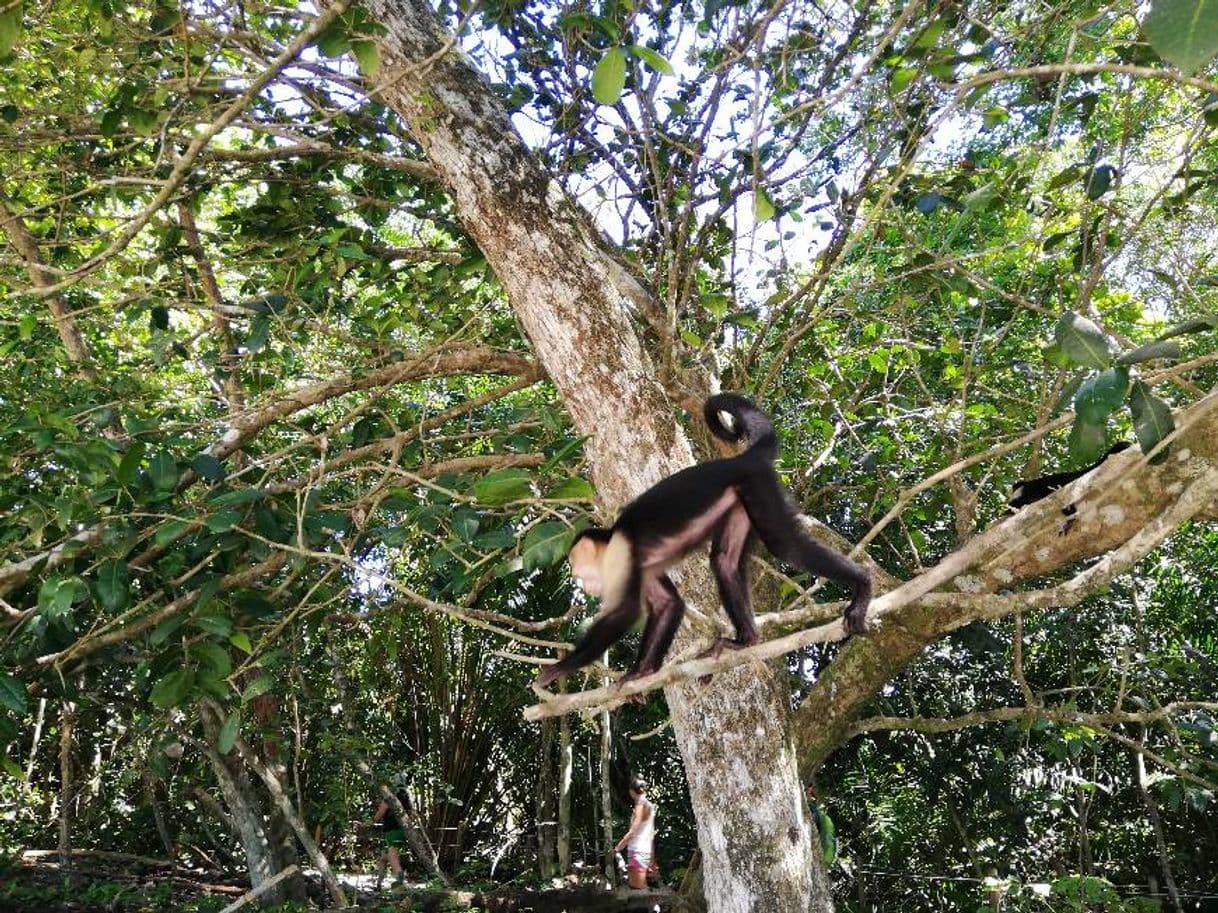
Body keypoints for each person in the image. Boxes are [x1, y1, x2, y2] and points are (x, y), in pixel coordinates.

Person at [615, 776, 657, 889]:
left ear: (632, 792)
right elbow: (651, 834)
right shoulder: (650, 806)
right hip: (646, 850)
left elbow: (633, 831)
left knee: (637, 889)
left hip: (637, 851)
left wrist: (618, 847)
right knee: (642, 887)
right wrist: (652, 857)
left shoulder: (640, 806)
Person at [372, 781, 407, 887]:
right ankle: (379, 884)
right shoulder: (406, 797)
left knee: (393, 858)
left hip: (393, 831)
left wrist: (370, 821)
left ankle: (401, 885)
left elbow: (380, 813)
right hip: (398, 830)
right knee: (383, 858)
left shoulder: (389, 798)